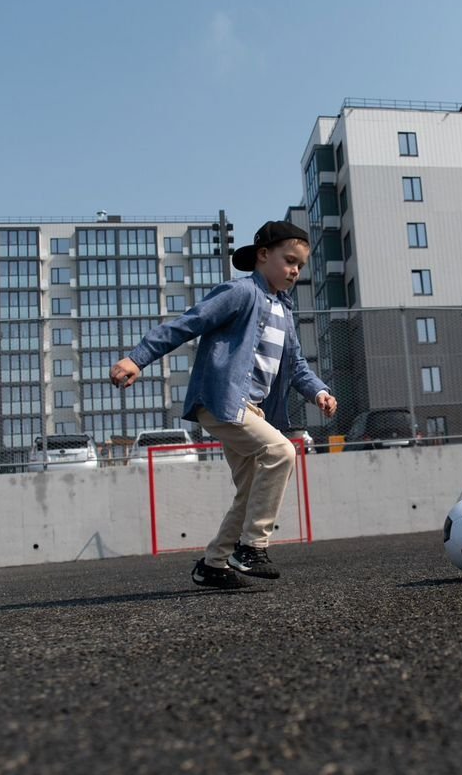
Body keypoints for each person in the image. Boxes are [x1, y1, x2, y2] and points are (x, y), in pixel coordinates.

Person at [109, 220, 337, 588]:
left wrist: (319, 392)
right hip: (223, 401)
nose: (295, 270)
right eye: (289, 260)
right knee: (281, 452)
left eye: (300, 265)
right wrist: (138, 358)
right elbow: (189, 323)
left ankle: (214, 565)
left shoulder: (284, 311)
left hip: (253, 411)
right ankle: (252, 547)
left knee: (251, 492)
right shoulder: (241, 292)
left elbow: (296, 366)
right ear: (263, 255)